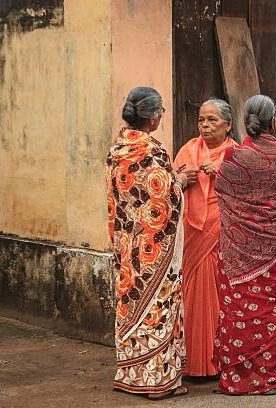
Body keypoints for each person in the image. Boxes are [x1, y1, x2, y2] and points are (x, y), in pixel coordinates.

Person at [107, 87, 192, 400]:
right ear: (153, 115)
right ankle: (157, 381)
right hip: (154, 249)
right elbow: (165, 199)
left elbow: (123, 198)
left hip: (128, 245)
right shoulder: (152, 151)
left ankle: (129, 373)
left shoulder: (117, 148)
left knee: (131, 306)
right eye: (161, 111)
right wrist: (181, 182)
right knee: (159, 308)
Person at [213, 95, 276, 395]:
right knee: (267, 308)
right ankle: (265, 377)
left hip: (235, 251)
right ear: (273, 121)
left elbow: (222, 192)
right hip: (269, 248)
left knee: (235, 312)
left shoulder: (235, 157)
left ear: (246, 121)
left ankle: (234, 379)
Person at [172, 99, 238, 378]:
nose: (205, 126)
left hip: (222, 235)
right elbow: (169, 181)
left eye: (212, 120)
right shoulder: (189, 149)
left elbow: (247, 191)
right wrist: (180, 180)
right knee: (193, 295)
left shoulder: (236, 153)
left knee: (220, 296)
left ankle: (218, 361)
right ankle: (195, 361)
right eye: (201, 120)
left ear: (228, 125)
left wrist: (221, 173)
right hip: (193, 233)